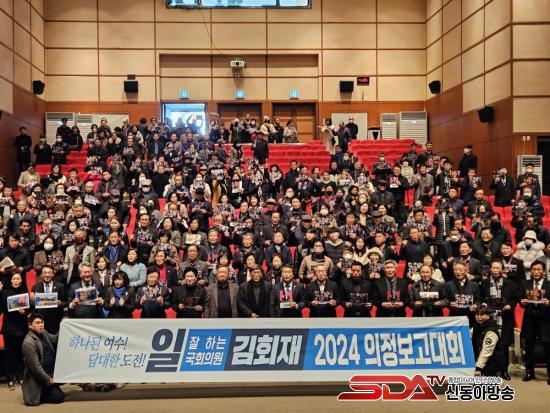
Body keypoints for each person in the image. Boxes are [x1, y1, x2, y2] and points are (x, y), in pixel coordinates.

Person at [480, 260, 517, 380]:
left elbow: (514, 299)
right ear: (490, 269)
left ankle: (504, 371)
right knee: (489, 344)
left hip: (505, 318)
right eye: (494, 268)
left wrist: (510, 305)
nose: (496, 270)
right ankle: (489, 370)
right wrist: (483, 304)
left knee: (504, 346)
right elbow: (480, 298)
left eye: (498, 268)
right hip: (489, 318)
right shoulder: (484, 283)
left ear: (502, 269)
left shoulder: (510, 283)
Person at [21, 313, 64, 406]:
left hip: (50, 371)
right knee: (58, 398)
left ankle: (51, 387)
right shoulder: (28, 343)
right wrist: (47, 379)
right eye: (37, 323)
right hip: (39, 378)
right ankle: (37, 395)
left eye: (42, 322)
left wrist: (62, 326)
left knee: (66, 376)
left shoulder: (44, 333)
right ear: (30, 325)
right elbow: (35, 367)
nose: (41, 325)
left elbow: (55, 339)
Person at [519, 261, 550, 383]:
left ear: (543, 271)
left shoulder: (549, 284)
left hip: (545, 320)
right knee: (529, 347)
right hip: (530, 319)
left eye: (539, 269)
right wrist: (522, 302)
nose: (536, 272)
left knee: (548, 348)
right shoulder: (524, 283)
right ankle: (529, 372)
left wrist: (548, 303)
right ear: (530, 271)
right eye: (534, 269)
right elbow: (519, 299)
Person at [0, 272, 29, 390]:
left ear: (21, 280)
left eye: (18, 279)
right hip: (9, 328)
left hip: (21, 327)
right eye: (14, 279)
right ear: (11, 280)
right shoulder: (5, 293)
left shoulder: (25, 293)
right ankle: (10, 378)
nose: (16, 281)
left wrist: (24, 312)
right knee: (9, 354)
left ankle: (20, 375)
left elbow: (29, 310)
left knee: (20, 353)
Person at [30, 265, 67, 334]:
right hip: (40, 322)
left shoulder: (60, 286)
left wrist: (60, 303)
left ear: (53, 274)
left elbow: (65, 302)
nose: (47, 275)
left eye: (49, 273)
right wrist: (32, 301)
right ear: (41, 275)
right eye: (45, 273)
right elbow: (32, 306)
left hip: (55, 320)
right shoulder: (35, 287)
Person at [443, 260, 480, 326]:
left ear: (466, 271)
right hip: (454, 318)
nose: (458, 272)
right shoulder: (448, 285)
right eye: (456, 270)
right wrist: (449, 303)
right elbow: (445, 299)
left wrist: (475, 305)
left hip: (470, 317)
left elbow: (478, 300)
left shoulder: (474, 285)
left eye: (461, 270)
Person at [472, 308, 507, 377]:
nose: (479, 317)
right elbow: (466, 334)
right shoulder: (477, 326)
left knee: (489, 382)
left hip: (493, 363)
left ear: (488, 316)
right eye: (477, 314)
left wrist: (479, 367)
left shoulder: (491, 331)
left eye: (482, 315)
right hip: (482, 361)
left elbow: (487, 350)